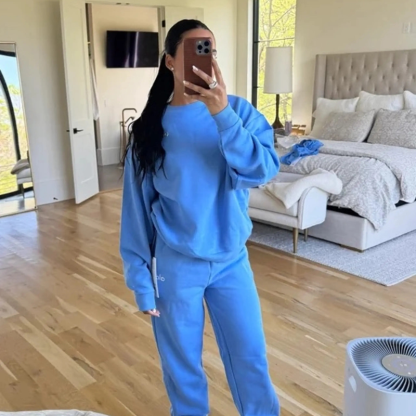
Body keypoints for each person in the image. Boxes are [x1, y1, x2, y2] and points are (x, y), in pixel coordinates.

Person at [120, 19, 280, 416]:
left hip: (232, 261)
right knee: (182, 368)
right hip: (175, 267)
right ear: (170, 61)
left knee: (250, 357)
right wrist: (140, 280)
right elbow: (135, 211)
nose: (204, 59)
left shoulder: (239, 112)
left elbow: (262, 170)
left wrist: (222, 114)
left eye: (210, 50)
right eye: (195, 50)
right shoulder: (148, 131)